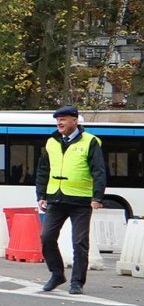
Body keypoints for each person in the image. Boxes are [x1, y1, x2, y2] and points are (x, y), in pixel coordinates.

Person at [36, 105, 107, 294]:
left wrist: (97, 197)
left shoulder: (90, 141)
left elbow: (98, 171)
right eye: (57, 120)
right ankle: (57, 274)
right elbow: (43, 170)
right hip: (56, 199)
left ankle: (77, 282)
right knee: (46, 237)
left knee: (79, 242)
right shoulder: (51, 142)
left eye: (63, 119)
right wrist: (41, 195)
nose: (59, 123)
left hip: (81, 201)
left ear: (74, 121)